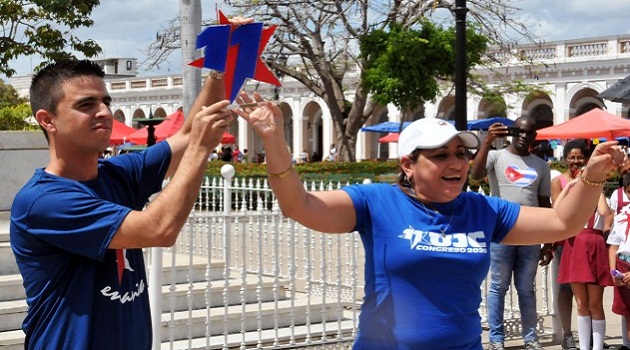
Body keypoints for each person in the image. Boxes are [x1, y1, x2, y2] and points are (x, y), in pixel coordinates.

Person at [233, 93, 625, 349]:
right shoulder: (376, 201)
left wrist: (593, 174)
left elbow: (563, 222)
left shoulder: (482, 209)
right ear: (408, 164)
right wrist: (274, 142)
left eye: (460, 153)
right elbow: (300, 206)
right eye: (440, 155)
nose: (455, 163)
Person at [8, 28, 247, 349]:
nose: (104, 112)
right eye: (86, 105)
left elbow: (188, 135)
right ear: (47, 120)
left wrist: (221, 63)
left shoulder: (117, 173)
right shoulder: (44, 201)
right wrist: (202, 148)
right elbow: (159, 228)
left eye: (106, 101)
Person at [470, 116, 552, 350]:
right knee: (498, 286)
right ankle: (496, 340)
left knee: (526, 288)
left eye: (530, 132)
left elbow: (544, 204)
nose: (524, 136)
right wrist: (486, 143)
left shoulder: (541, 165)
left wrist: (549, 241)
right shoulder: (497, 157)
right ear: (512, 132)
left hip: (531, 235)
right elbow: (475, 175)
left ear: (535, 136)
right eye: (520, 131)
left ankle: (530, 339)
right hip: (502, 232)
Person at [553, 140, 613, 350]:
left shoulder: (597, 189)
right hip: (574, 246)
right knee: (581, 303)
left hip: (593, 245)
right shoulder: (569, 190)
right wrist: (569, 186)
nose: (577, 165)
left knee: (595, 304)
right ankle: (584, 347)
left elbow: (605, 213)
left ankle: (596, 347)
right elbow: (556, 210)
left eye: (582, 162)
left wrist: (596, 187)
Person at [550, 140, 591, 350]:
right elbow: (558, 210)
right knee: (565, 290)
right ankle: (567, 333)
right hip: (565, 243)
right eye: (571, 157)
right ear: (565, 159)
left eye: (579, 157)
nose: (575, 161)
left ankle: (587, 332)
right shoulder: (559, 181)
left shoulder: (591, 180)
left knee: (587, 291)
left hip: (586, 242)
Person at [608, 198, 630, 350]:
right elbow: (613, 246)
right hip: (623, 266)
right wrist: (613, 272)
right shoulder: (622, 215)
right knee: (628, 312)